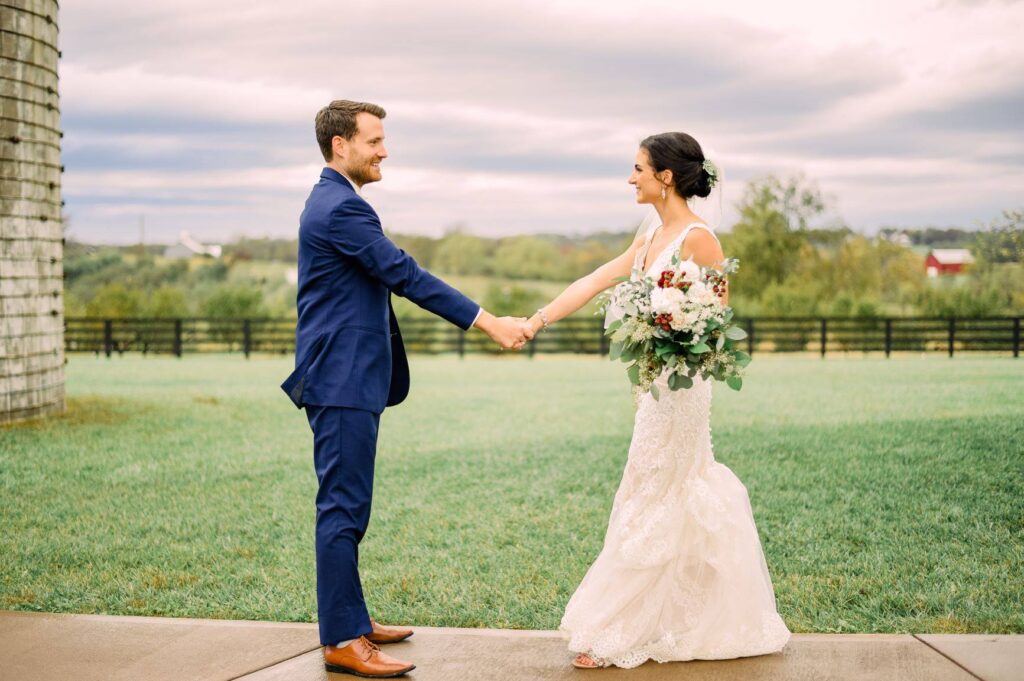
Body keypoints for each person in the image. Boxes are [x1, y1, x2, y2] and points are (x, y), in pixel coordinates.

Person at [281, 100, 532, 678]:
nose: (384, 150)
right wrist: (488, 321)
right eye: (374, 140)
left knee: (351, 503)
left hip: (348, 375)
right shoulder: (341, 208)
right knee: (342, 507)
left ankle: (353, 617)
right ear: (340, 144)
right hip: (341, 377)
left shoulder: (338, 201)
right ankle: (343, 639)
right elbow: (405, 274)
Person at [523, 132, 791, 669]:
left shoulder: (701, 240)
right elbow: (599, 277)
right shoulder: (650, 232)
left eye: (638, 169)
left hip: (685, 392)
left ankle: (622, 629)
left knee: (666, 488)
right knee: (645, 488)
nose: (631, 178)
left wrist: (670, 331)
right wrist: (536, 321)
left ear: (665, 177)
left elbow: (715, 328)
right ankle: (662, 617)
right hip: (653, 390)